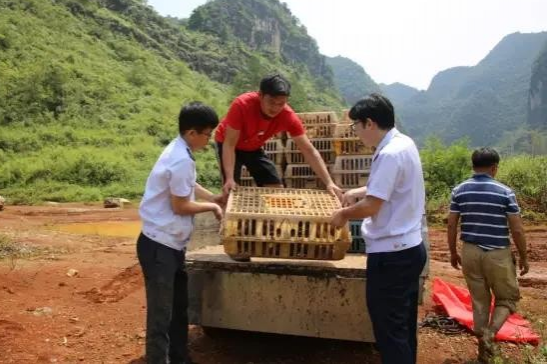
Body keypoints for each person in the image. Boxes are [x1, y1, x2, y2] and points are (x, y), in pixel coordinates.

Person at [330, 93, 427, 364]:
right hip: (409, 249)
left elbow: (372, 206)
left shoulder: (388, 154)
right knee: (402, 325)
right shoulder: (403, 143)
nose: (357, 133)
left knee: (389, 330)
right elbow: (388, 189)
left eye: (356, 126)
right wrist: (357, 192)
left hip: (391, 256)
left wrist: (342, 214)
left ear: (369, 123)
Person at [137, 102, 224, 364]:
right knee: (161, 313)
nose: (208, 140)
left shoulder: (180, 151)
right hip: (159, 245)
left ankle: (179, 357)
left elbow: (188, 183)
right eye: (207, 134)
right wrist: (212, 207)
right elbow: (180, 205)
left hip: (170, 245)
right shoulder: (180, 158)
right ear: (192, 133)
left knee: (178, 307)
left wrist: (212, 197)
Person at [447, 147, 529, 363]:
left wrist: (454, 253)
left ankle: (483, 354)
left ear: (473, 167)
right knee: (508, 298)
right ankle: (491, 334)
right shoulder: (505, 192)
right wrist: (523, 256)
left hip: (470, 252)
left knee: (479, 302)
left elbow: (452, 225)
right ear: (494, 168)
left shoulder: (459, 190)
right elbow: (517, 229)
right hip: (497, 253)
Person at [214, 73, 342, 198]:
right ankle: (225, 214)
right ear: (260, 95)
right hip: (228, 144)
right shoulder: (242, 105)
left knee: (275, 188)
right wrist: (229, 178)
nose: (275, 108)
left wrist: (329, 182)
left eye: (281, 103)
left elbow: (308, 150)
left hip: (253, 147)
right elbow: (229, 144)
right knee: (230, 189)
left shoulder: (288, 116)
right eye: (271, 102)